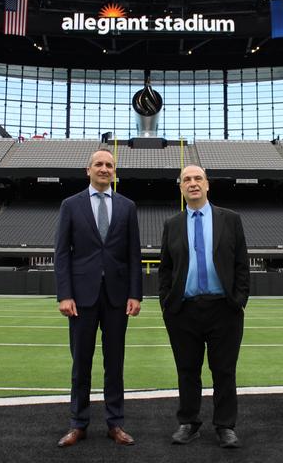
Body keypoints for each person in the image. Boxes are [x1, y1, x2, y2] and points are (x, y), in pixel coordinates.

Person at [54, 148, 142, 447]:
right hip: (81, 297)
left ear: (114, 171)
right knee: (81, 363)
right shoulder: (70, 205)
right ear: (88, 170)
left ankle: (115, 423)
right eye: (99, 164)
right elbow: (62, 253)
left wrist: (135, 294)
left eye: (109, 165)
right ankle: (78, 423)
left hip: (117, 297)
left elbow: (133, 254)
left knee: (114, 363)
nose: (104, 168)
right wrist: (64, 295)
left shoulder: (128, 206)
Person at [159, 165, 249, 449]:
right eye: (187, 179)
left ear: (207, 185)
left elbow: (242, 265)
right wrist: (167, 304)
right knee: (187, 370)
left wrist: (238, 301)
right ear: (181, 187)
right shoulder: (172, 224)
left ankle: (225, 426)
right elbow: (165, 270)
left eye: (198, 178)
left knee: (224, 370)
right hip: (184, 310)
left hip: (223, 308)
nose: (193, 183)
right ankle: (189, 422)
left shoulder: (230, 219)